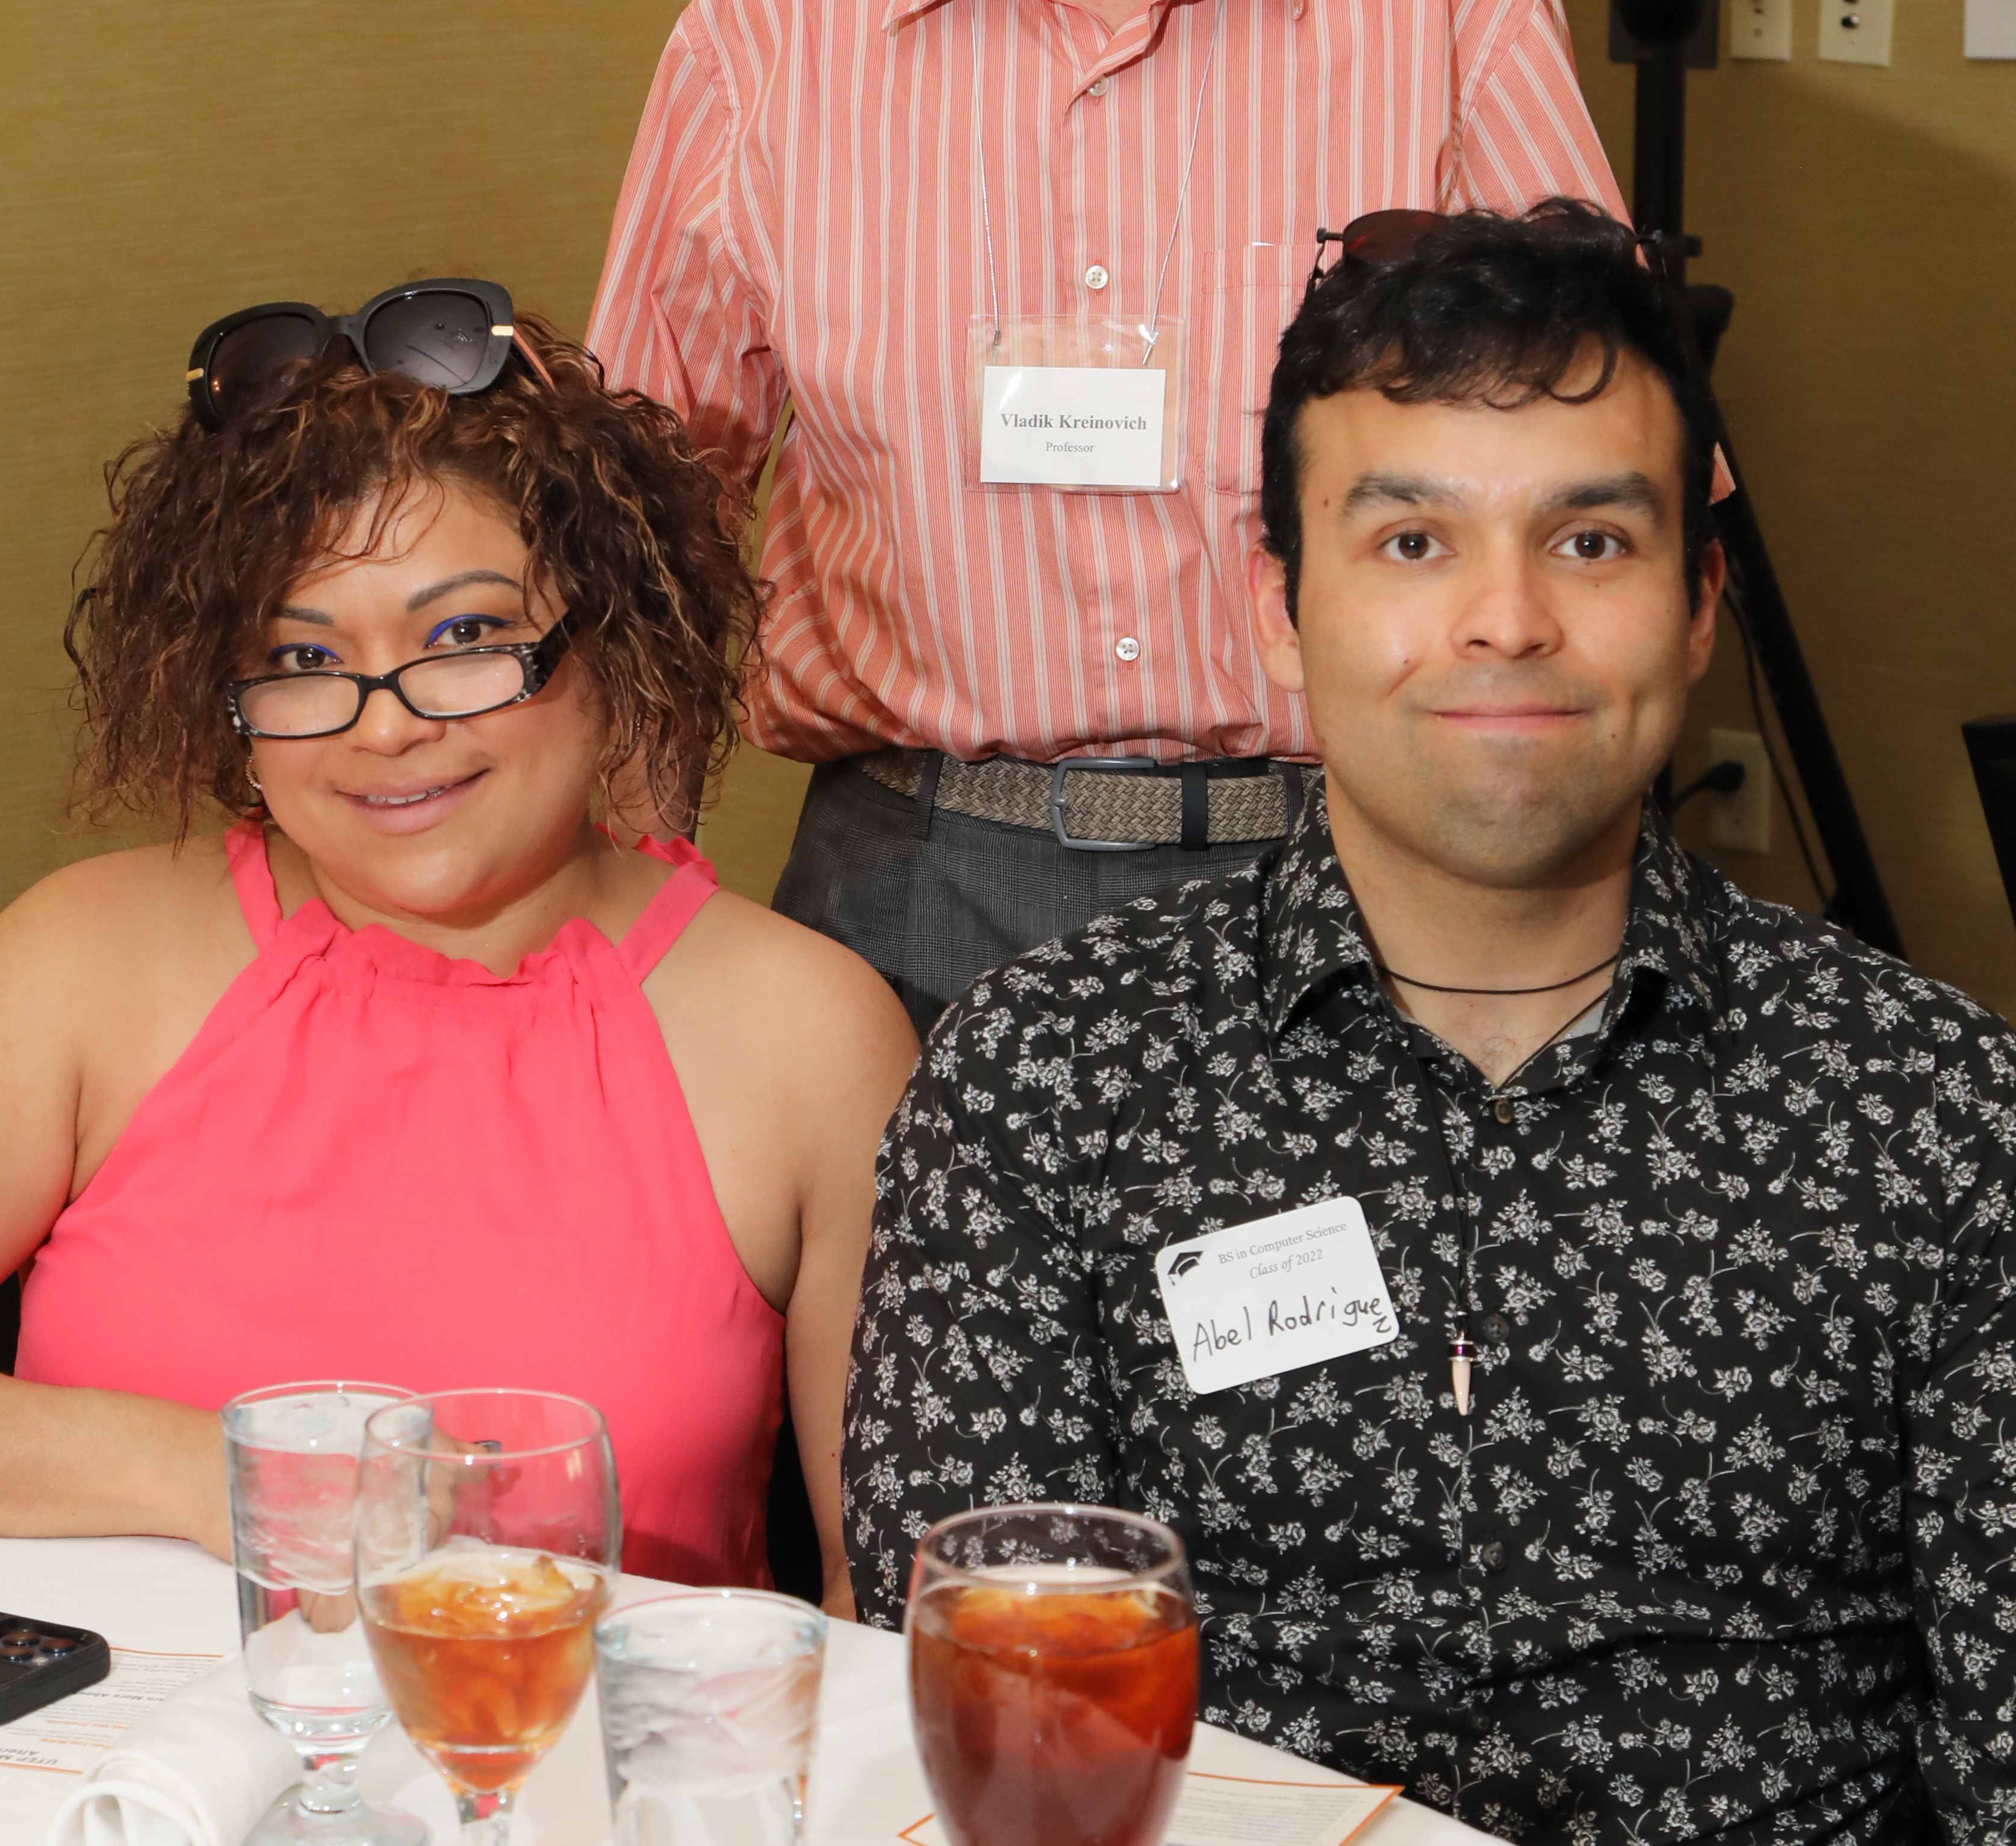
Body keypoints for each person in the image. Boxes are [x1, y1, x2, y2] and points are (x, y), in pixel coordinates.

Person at [841, 203, 2016, 1841]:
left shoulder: (1937, 1114)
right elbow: (1010, 1724)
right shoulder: (1047, 1078)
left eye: (1588, 540)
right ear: (1278, 605)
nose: (1505, 619)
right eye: (1411, 542)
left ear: (1697, 602)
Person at [591, 0, 1624, 1035]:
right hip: (907, 902)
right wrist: (625, 961)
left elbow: (1618, 502)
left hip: (1371, 890)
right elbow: (635, 541)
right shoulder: (764, 26)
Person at [0, 283, 915, 1606]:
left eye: (466, 637)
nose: (385, 726)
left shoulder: (810, 1033)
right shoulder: (79, 959)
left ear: (613, 635)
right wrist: (204, 1472)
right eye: (302, 657)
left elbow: (889, 1606)